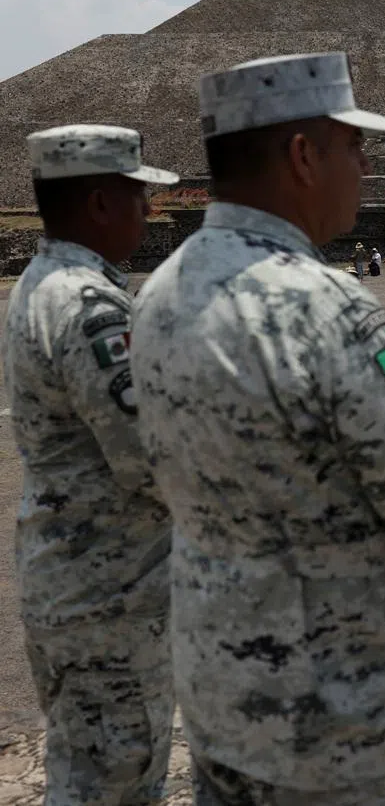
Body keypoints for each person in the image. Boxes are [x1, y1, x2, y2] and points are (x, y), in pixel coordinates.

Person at [131, 53, 385, 806]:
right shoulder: (324, 311)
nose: (366, 165)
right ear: (302, 155)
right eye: (354, 146)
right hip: (357, 731)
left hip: (225, 705)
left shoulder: (157, 294)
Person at [3, 125, 178, 805]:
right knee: (114, 783)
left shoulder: (45, 286)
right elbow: (152, 458)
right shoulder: (88, 307)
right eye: (138, 195)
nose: (149, 211)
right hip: (108, 599)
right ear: (101, 203)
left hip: (75, 584)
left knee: (86, 774)